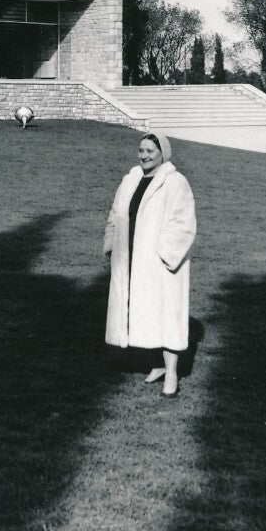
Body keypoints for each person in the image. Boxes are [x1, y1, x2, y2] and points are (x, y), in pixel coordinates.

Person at [103, 130, 196, 397]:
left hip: (159, 263)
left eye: (150, 152)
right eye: (141, 151)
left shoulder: (175, 183)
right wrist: (112, 243)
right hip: (131, 256)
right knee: (144, 309)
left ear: (162, 154)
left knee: (166, 313)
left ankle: (173, 373)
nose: (144, 156)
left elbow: (184, 223)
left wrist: (164, 253)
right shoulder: (130, 180)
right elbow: (116, 213)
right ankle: (157, 365)